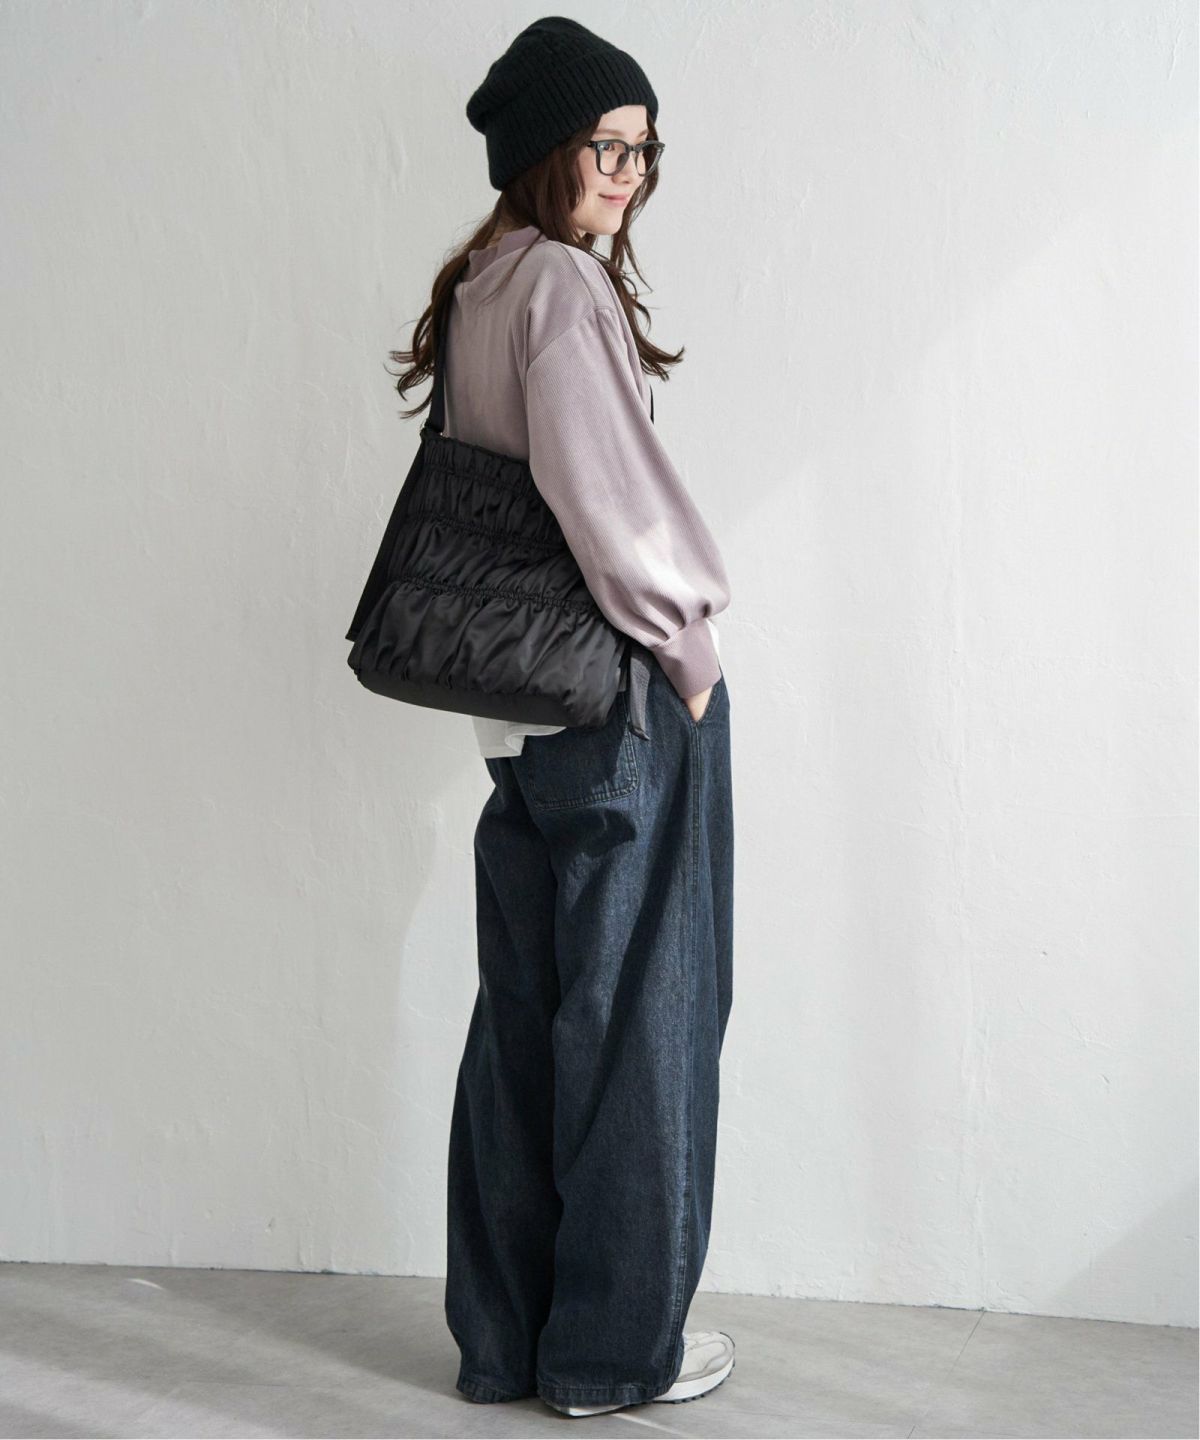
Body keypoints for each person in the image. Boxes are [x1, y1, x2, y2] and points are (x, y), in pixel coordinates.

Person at [388, 16, 736, 1420]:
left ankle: (508, 1342)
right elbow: (606, 502)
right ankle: (610, 1354)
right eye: (608, 147)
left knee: (528, 1026)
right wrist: (691, 651)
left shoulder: (482, 283)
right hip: (618, 703)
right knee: (644, 1023)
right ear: (547, 147)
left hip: (518, 719)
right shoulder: (564, 288)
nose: (630, 175)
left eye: (647, 151)